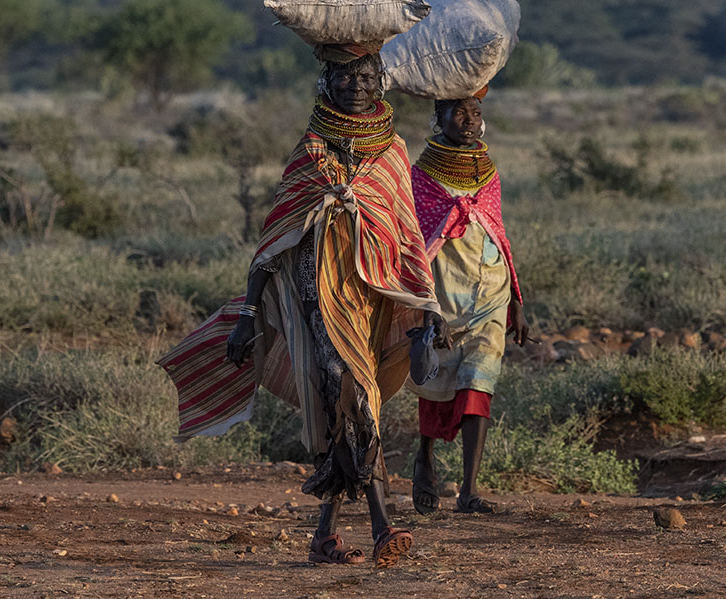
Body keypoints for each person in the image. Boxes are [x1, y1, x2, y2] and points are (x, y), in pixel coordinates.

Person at [164, 48, 446, 568]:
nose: (354, 85)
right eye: (343, 75)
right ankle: (384, 527)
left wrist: (427, 310)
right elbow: (272, 241)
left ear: (380, 85)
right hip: (314, 298)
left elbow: (407, 234)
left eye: (364, 76)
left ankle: (324, 537)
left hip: (370, 301)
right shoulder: (311, 149)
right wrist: (248, 316)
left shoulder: (392, 153)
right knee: (356, 395)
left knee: (345, 407)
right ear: (326, 81)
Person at [408, 91, 528, 515]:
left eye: (475, 111)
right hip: (442, 296)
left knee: (480, 383)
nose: (468, 119)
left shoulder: (489, 171)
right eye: (457, 111)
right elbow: (415, 244)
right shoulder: (421, 176)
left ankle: (469, 492)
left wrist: (517, 298)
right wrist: (426, 308)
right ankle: (423, 457)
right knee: (435, 388)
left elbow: (498, 231)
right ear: (437, 118)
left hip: (490, 296)